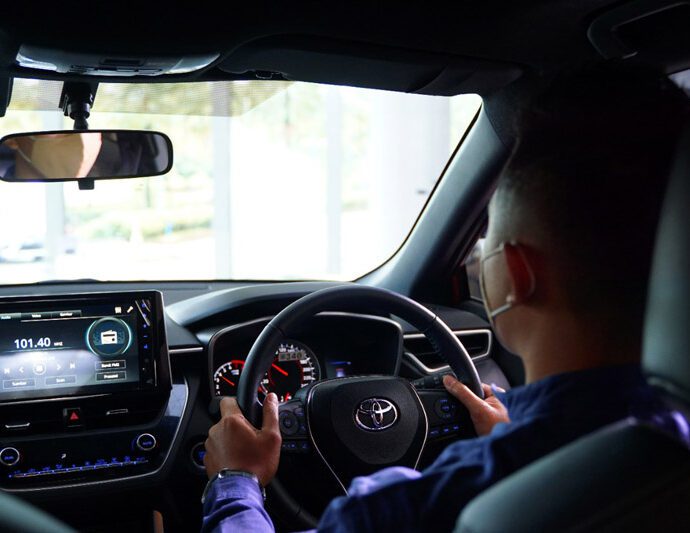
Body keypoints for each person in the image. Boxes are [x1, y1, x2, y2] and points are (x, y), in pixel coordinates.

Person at [201, 66, 689, 532]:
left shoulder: (406, 509)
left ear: (516, 274)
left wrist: (235, 479)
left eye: (484, 247)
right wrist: (515, 437)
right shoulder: (665, 447)